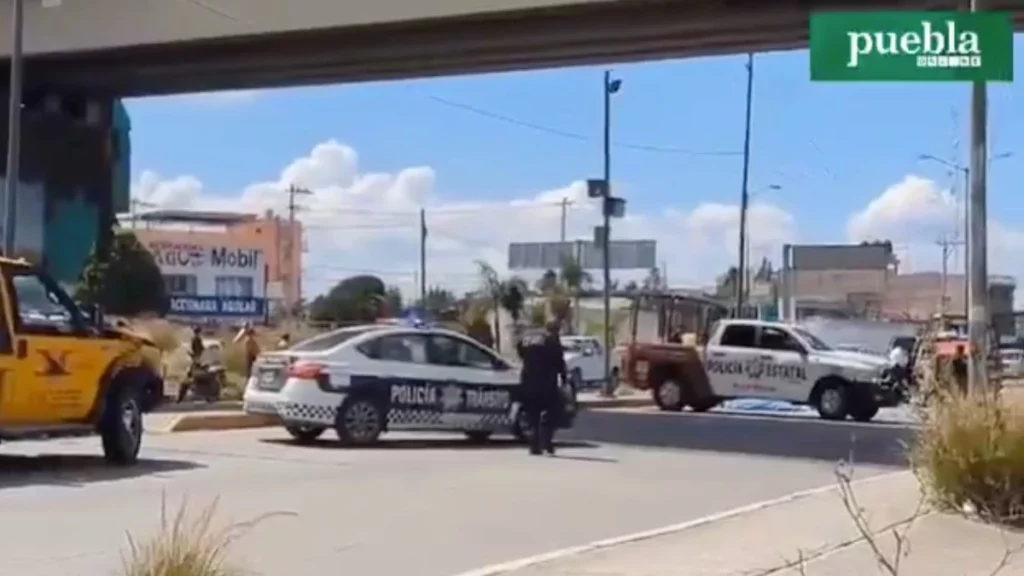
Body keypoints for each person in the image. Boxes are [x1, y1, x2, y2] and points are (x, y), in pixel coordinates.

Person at [515, 320, 567, 456]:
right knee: (551, 414)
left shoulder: (530, 343)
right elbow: (560, 364)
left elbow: (520, 352)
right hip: (547, 386)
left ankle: (534, 445)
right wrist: (564, 379)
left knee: (533, 417)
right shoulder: (553, 344)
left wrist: (519, 337)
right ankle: (546, 442)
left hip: (529, 385)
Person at [178, 326, 206, 403]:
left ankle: (181, 397)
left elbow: (195, 349)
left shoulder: (193, 339)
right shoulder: (197, 339)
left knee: (190, 377)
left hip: (195, 359)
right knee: (193, 376)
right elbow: (199, 349)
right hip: (197, 359)